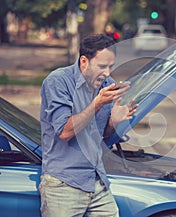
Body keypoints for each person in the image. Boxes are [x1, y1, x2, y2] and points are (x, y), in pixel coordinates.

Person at [39, 34, 138, 217]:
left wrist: (113, 122)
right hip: (63, 184)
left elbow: (101, 134)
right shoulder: (58, 81)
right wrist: (97, 103)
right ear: (84, 61)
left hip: (96, 180)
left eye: (110, 66)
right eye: (102, 66)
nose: (108, 73)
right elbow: (65, 132)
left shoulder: (106, 84)